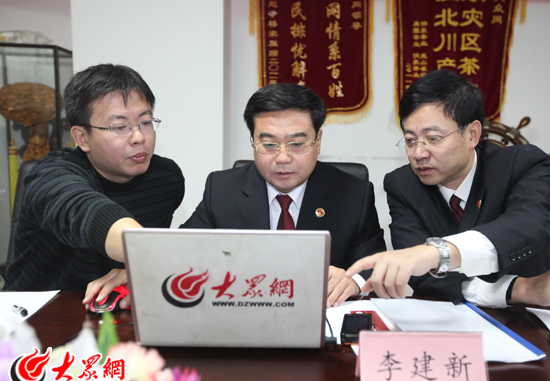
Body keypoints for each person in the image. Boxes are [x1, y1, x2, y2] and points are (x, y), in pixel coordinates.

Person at [347, 69, 550, 307]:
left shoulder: (521, 164)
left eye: (433, 138)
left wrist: (437, 254)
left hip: (524, 317)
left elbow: (529, 226)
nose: (418, 153)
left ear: (472, 134)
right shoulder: (402, 184)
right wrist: (520, 289)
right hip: (447, 316)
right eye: (411, 140)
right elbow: (422, 277)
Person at [181, 82, 386, 307]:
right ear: (253, 141)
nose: (282, 158)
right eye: (269, 144)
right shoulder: (221, 190)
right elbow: (181, 252)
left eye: (296, 144)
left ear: (317, 142)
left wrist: (354, 282)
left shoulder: (354, 195)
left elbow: (375, 265)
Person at [4, 64, 184, 299]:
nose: (139, 137)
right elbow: (89, 213)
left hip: (116, 311)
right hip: (38, 312)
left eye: (146, 122)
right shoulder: (50, 176)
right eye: (120, 127)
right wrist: (152, 260)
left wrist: (143, 269)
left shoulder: (166, 178)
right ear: (82, 137)